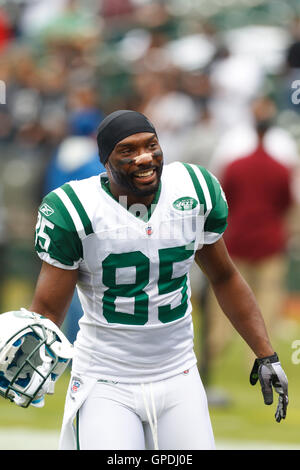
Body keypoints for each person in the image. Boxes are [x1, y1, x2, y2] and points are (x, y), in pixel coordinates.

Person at [30, 110, 288, 450]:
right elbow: (49, 307)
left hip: (178, 375)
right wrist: (34, 355)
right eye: (128, 150)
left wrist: (266, 353)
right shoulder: (77, 209)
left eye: (151, 145)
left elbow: (224, 276)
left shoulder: (194, 191)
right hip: (106, 381)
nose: (145, 157)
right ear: (105, 161)